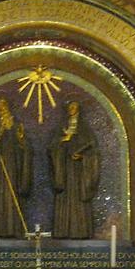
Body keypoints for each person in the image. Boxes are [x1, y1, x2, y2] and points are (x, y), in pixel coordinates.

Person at [0, 97, 32, 238]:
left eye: (4, 104)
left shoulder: (16, 124)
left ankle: (14, 228)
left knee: (13, 193)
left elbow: (26, 146)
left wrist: (21, 141)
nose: (3, 107)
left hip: (14, 164)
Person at [48, 101, 100, 239]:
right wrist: (62, 142)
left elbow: (94, 151)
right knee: (63, 198)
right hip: (64, 170)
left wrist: (83, 156)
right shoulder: (61, 128)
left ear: (78, 109)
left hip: (79, 172)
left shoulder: (85, 129)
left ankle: (80, 231)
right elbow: (52, 148)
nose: (71, 109)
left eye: (74, 107)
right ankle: (62, 231)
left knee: (79, 199)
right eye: (70, 107)